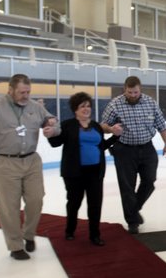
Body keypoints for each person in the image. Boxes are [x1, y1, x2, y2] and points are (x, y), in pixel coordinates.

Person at [0, 74, 60, 260]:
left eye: (28, 92)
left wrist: (52, 128)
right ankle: (15, 245)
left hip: (31, 161)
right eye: (22, 92)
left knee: (36, 199)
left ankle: (28, 234)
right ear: (10, 90)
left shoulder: (35, 107)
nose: (25, 95)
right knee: (9, 207)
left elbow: (54, 122)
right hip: (5, 162)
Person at [100, 76, 166, 234]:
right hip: (124, 150)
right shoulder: (115, 104)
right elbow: (103, 125)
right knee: (127, 187)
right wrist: (111, 129)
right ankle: (132, 221)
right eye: (130, 92)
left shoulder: (150, 103)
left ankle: (134, 209)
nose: (133, 95)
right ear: (125, 89)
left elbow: (161, 125)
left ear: (140, 90)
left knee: (149, 181)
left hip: (147, 148)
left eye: (136, 92)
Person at [48, 92, 119, 246]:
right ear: (75, 109)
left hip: (95, 172)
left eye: (88, 106)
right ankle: (70, 230)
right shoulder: (68, 125)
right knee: (74, 202)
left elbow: (102, 146)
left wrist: (115, 136)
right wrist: (50, 133)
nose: (86, 109)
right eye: (82, 106)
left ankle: (95, 235)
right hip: (74, 172)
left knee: (95, 204)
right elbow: (56, 143)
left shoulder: (96, 126)